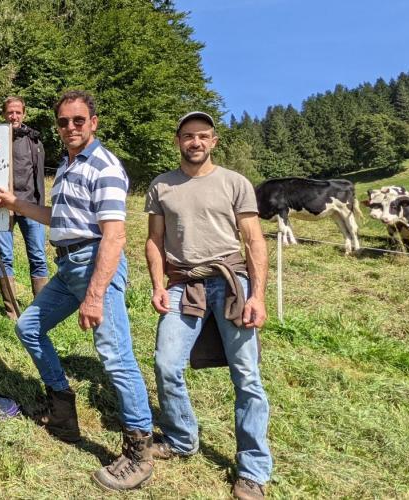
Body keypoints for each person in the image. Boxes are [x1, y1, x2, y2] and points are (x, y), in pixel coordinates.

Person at [0, 91, 154, 490]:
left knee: (115, 356)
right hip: (67, 266)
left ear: (93, 122)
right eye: (63, 122)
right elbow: (57, 217)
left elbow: (114, 236)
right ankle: (62, 408)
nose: (70, 128)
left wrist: (95, 295)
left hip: (96, 262)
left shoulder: (105, 166)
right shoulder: (65, 165)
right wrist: (17, 204)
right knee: (28, 326)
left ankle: (139, 450)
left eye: (78, 120)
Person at [144, 111, 271, 500]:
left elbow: (253, 241)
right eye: (187, 136)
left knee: (246, 374)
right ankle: (182, 438)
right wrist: (157, 285)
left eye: (202, 136)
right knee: (166, 363)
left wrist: (258, 295)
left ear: (214, 141)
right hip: (183, 284)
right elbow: (153, 240)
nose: (194, 142)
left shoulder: (234, 183)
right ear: (177, 140)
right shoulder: (161, 186)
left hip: (231, 282)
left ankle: (253, 469)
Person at [0, 96, 48, 320]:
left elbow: (38, 176)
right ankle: (12, 310)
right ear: (4, 114)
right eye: (9, 112)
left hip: (30, 206)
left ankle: (42, 310)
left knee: (38, 256)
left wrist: (39, 206)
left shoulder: (33, 140)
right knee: (5, 257)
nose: (13, 116)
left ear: (24, 113)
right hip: (3, 207)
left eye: (17, 112)